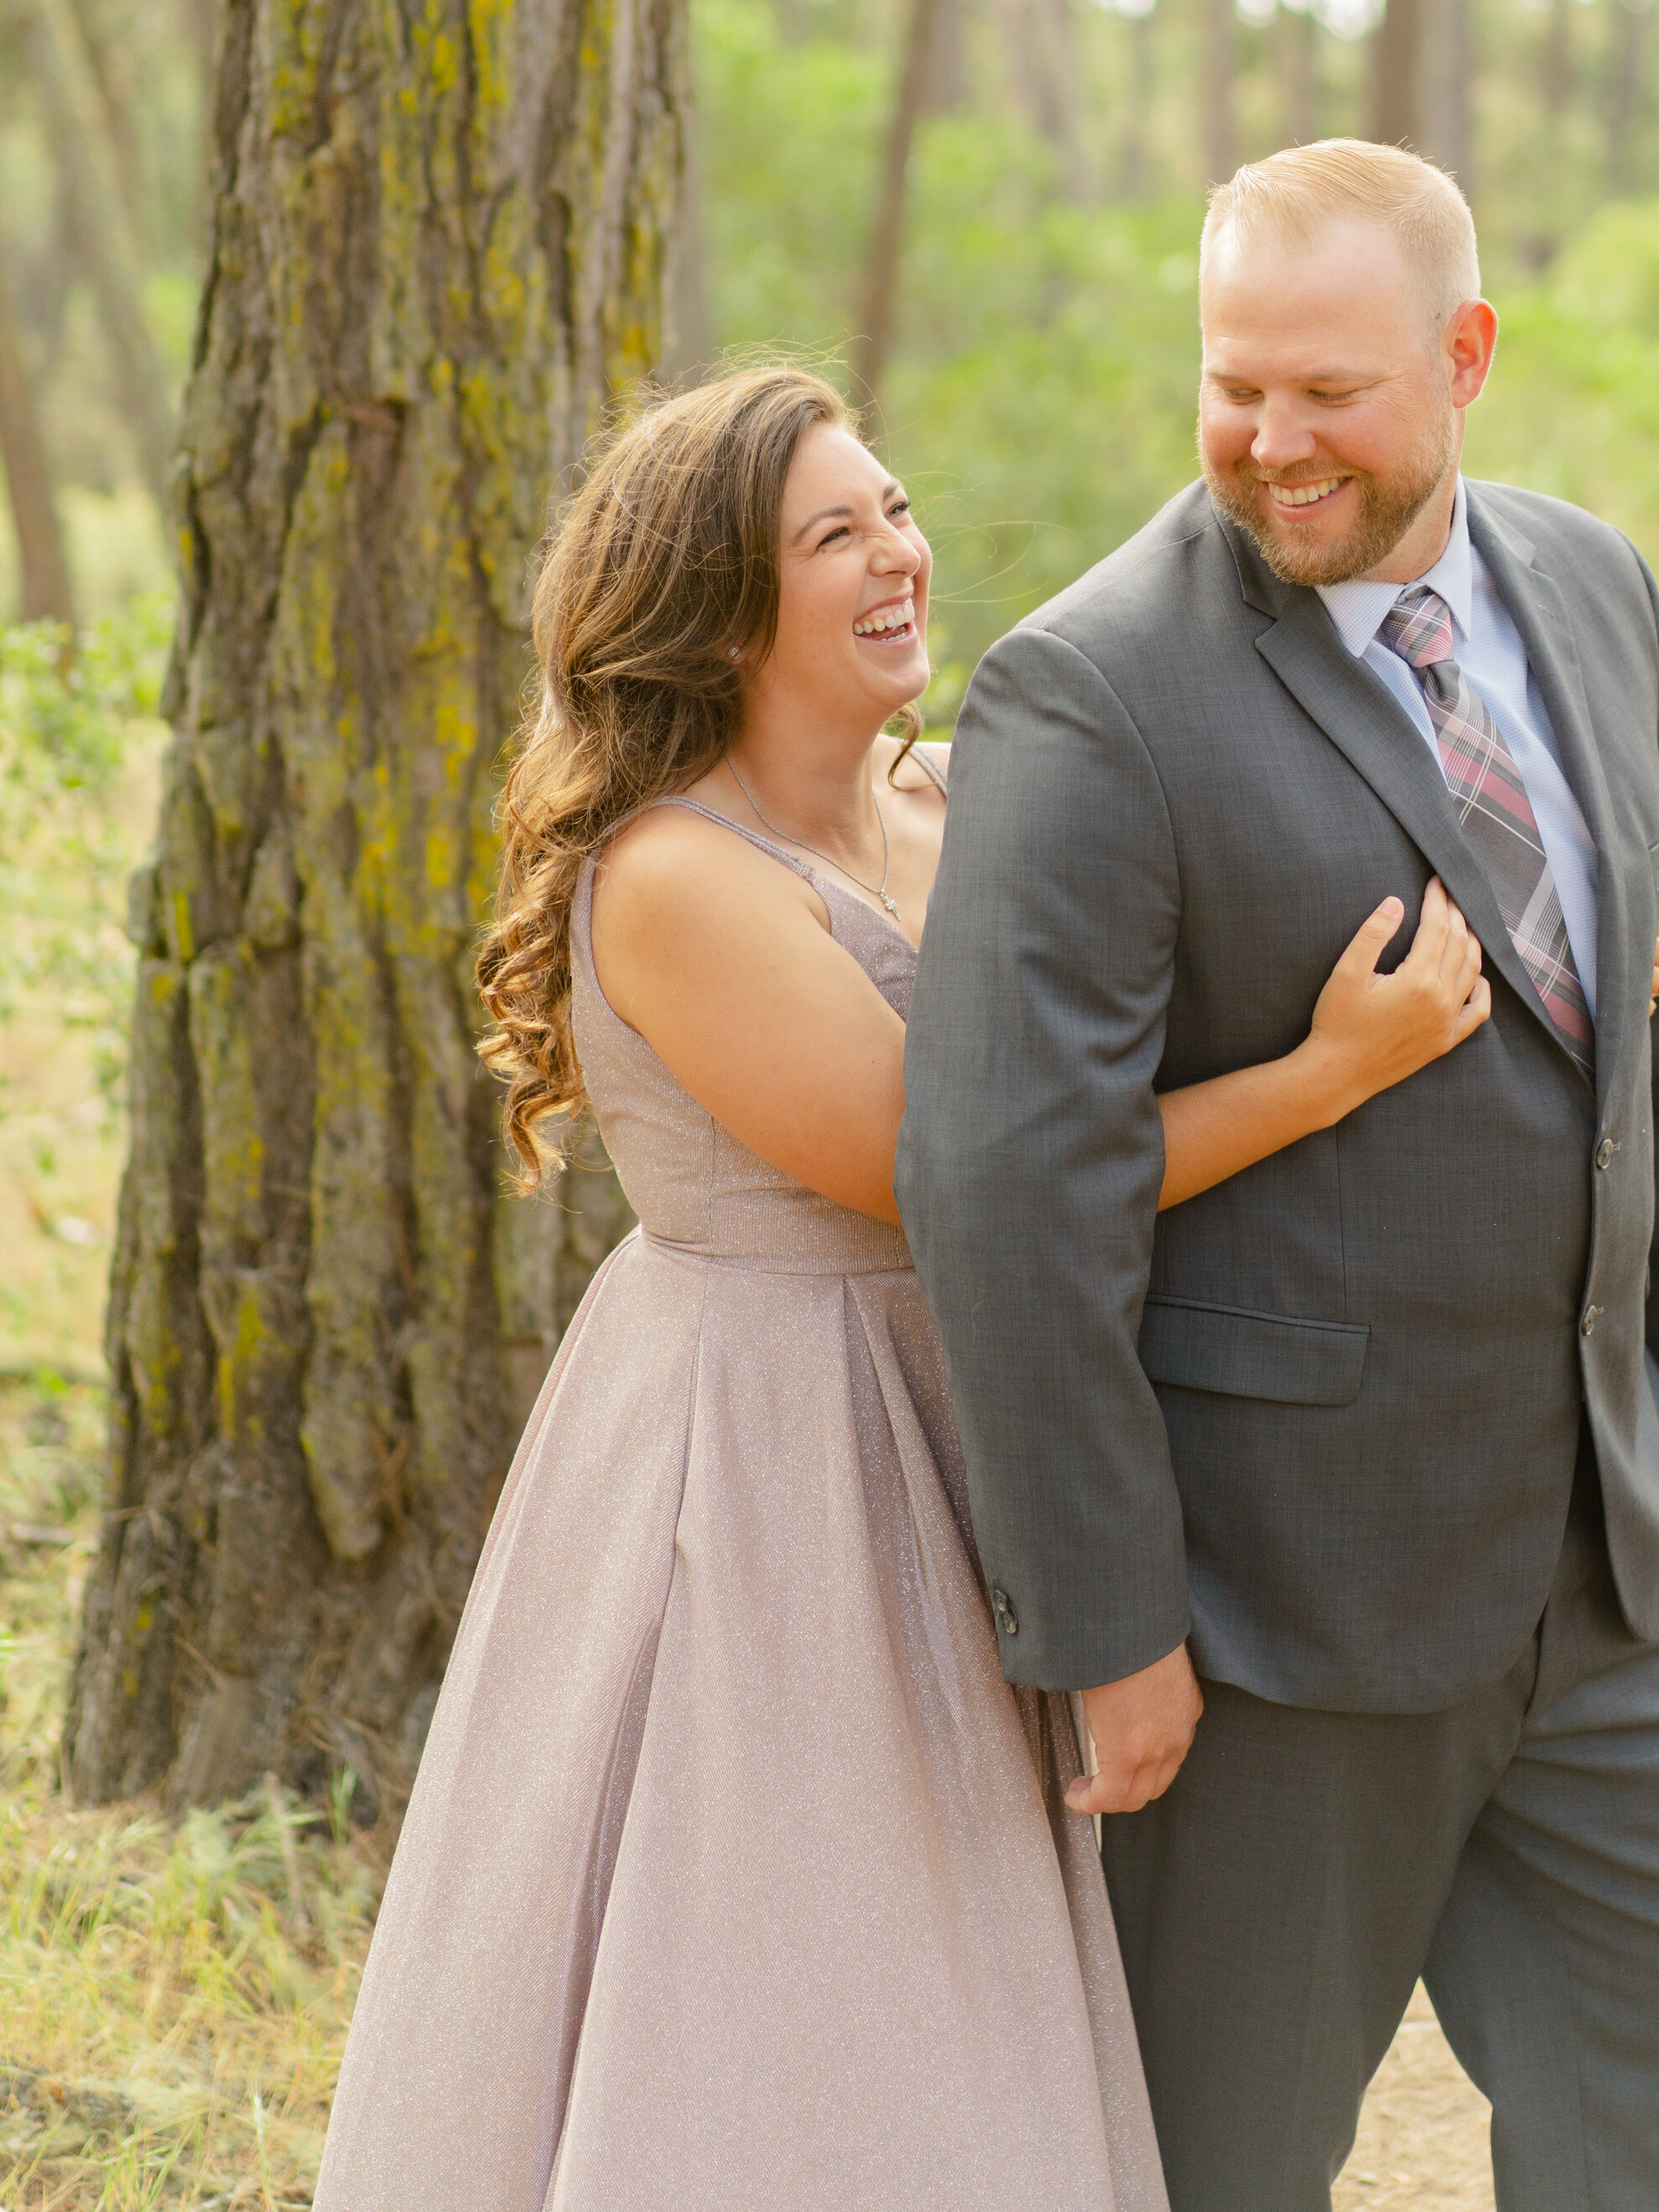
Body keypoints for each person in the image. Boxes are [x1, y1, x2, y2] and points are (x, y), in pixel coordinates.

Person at [310, 362, 1516, 2212]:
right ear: (715, 607)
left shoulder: (967, 798)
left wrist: (1555, 923)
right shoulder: (671, 881)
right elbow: (945, 1178)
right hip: (773, 1447)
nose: (895, 557)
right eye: (828, 536)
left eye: (893, 511)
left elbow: (1255, 925)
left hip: (983, 1398)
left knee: (971, 1930)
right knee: (796, 1935)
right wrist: (1326, 1077)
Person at [897, 140, 1659, 2212]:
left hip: (1598, 1572)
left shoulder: (1590, 584)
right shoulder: (1088, 691)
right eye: (1233, 383)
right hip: (1270, 1618)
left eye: (1329, 391)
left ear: (1464, 355)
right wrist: (1102, 1622)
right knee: (1220, 2162)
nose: (1270, 441)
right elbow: (1000, 1187)